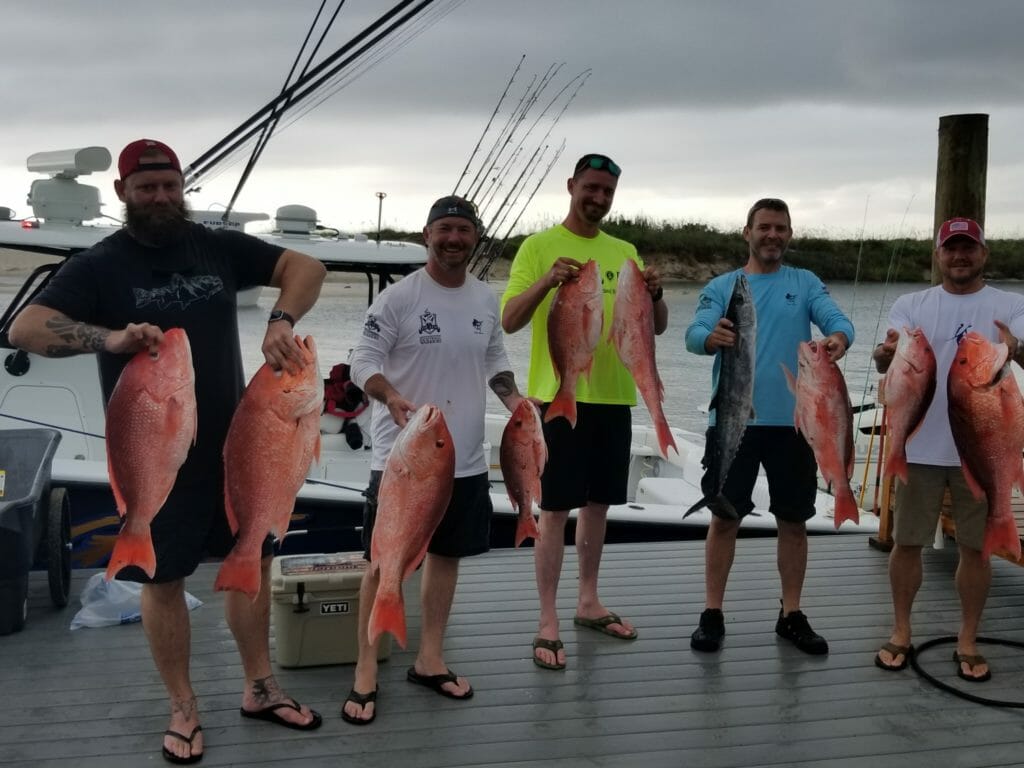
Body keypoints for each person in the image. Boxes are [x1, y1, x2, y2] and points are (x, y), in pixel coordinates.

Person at [9, 138, 327, 764]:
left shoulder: (215, 246)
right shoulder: (100, 265)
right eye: (147, 187)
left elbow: (305, 269)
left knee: (251, 566)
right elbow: (24, 327)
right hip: (154, 453)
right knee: (162, 579)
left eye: (171, 186)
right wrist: (109, 336)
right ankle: (183, 706)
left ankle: (260, 687)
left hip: (239, 447)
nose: (161, 197)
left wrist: (282, 320)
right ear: (124, 193)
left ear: (183, 188)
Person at [342, 195, 526, 725]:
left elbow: (495, 359)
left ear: (475, 238)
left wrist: (517, 403)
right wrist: (390, 397)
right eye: (444, 228)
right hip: (401, 461)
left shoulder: (486, 300)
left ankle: (429, 658)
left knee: (446, 560)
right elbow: (363, 362)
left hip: (463, 460)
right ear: (427, 235)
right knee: (383, 566)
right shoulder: (399, 299)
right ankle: (365, 667)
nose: (454, 238)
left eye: (464, 230)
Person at [501, 153, 668, 671]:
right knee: (553, 511)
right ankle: (547, 618)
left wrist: (657, 296)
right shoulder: (538, 246)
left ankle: (588, 600)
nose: (597, 198)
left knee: (597, 506)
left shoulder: (624, 250)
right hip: (557, 396)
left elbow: (653, 327)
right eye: (590, 188)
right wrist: (547, 281)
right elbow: (509, 319)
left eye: (607, 192)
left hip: (614, 399)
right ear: (571, 185)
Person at [684, 197, 854, 656]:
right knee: (724, 518)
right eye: (764, 227)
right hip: (733, 423)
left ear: (789, 234)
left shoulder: (805, 282)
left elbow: (836, 320)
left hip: (797, 425)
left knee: (793, 521)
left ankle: (791, 614)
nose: (772, 235)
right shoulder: (724, 287)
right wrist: (709, 337)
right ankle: (712, 612)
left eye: (781, 228)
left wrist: (839, 337)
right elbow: (693, 332)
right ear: (748, 232)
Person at [871, 216, 1024, 681]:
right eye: (951, 248)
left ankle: (968, 639)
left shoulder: (1010, 305)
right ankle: (900, 631)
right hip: (918, 447)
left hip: (981, 449)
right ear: (938, 254)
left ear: (983, 253)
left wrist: (1017, 351)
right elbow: (890, 358)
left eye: (969, 247)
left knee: (976, 551)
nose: (960, 256)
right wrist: (884, 356)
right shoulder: (911, 304)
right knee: (907, 543)